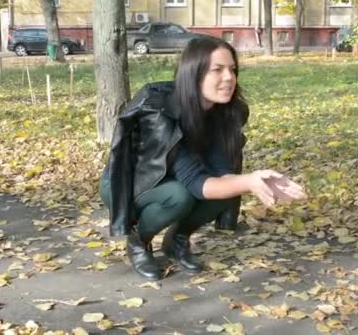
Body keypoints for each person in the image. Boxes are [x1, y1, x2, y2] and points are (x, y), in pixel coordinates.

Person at [100, 37, 306, 281]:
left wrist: (252, 181)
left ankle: (177, 240)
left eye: (232, 69)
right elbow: (197, 182)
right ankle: (138, 241)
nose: (229, 77)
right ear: (193, 74)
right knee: (179, 196)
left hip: (175, 181)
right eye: (217, 70)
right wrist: (248, 182)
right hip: (130, 184)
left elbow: (222, 171)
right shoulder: (159, 111)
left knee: (226, 190)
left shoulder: (224, 112)